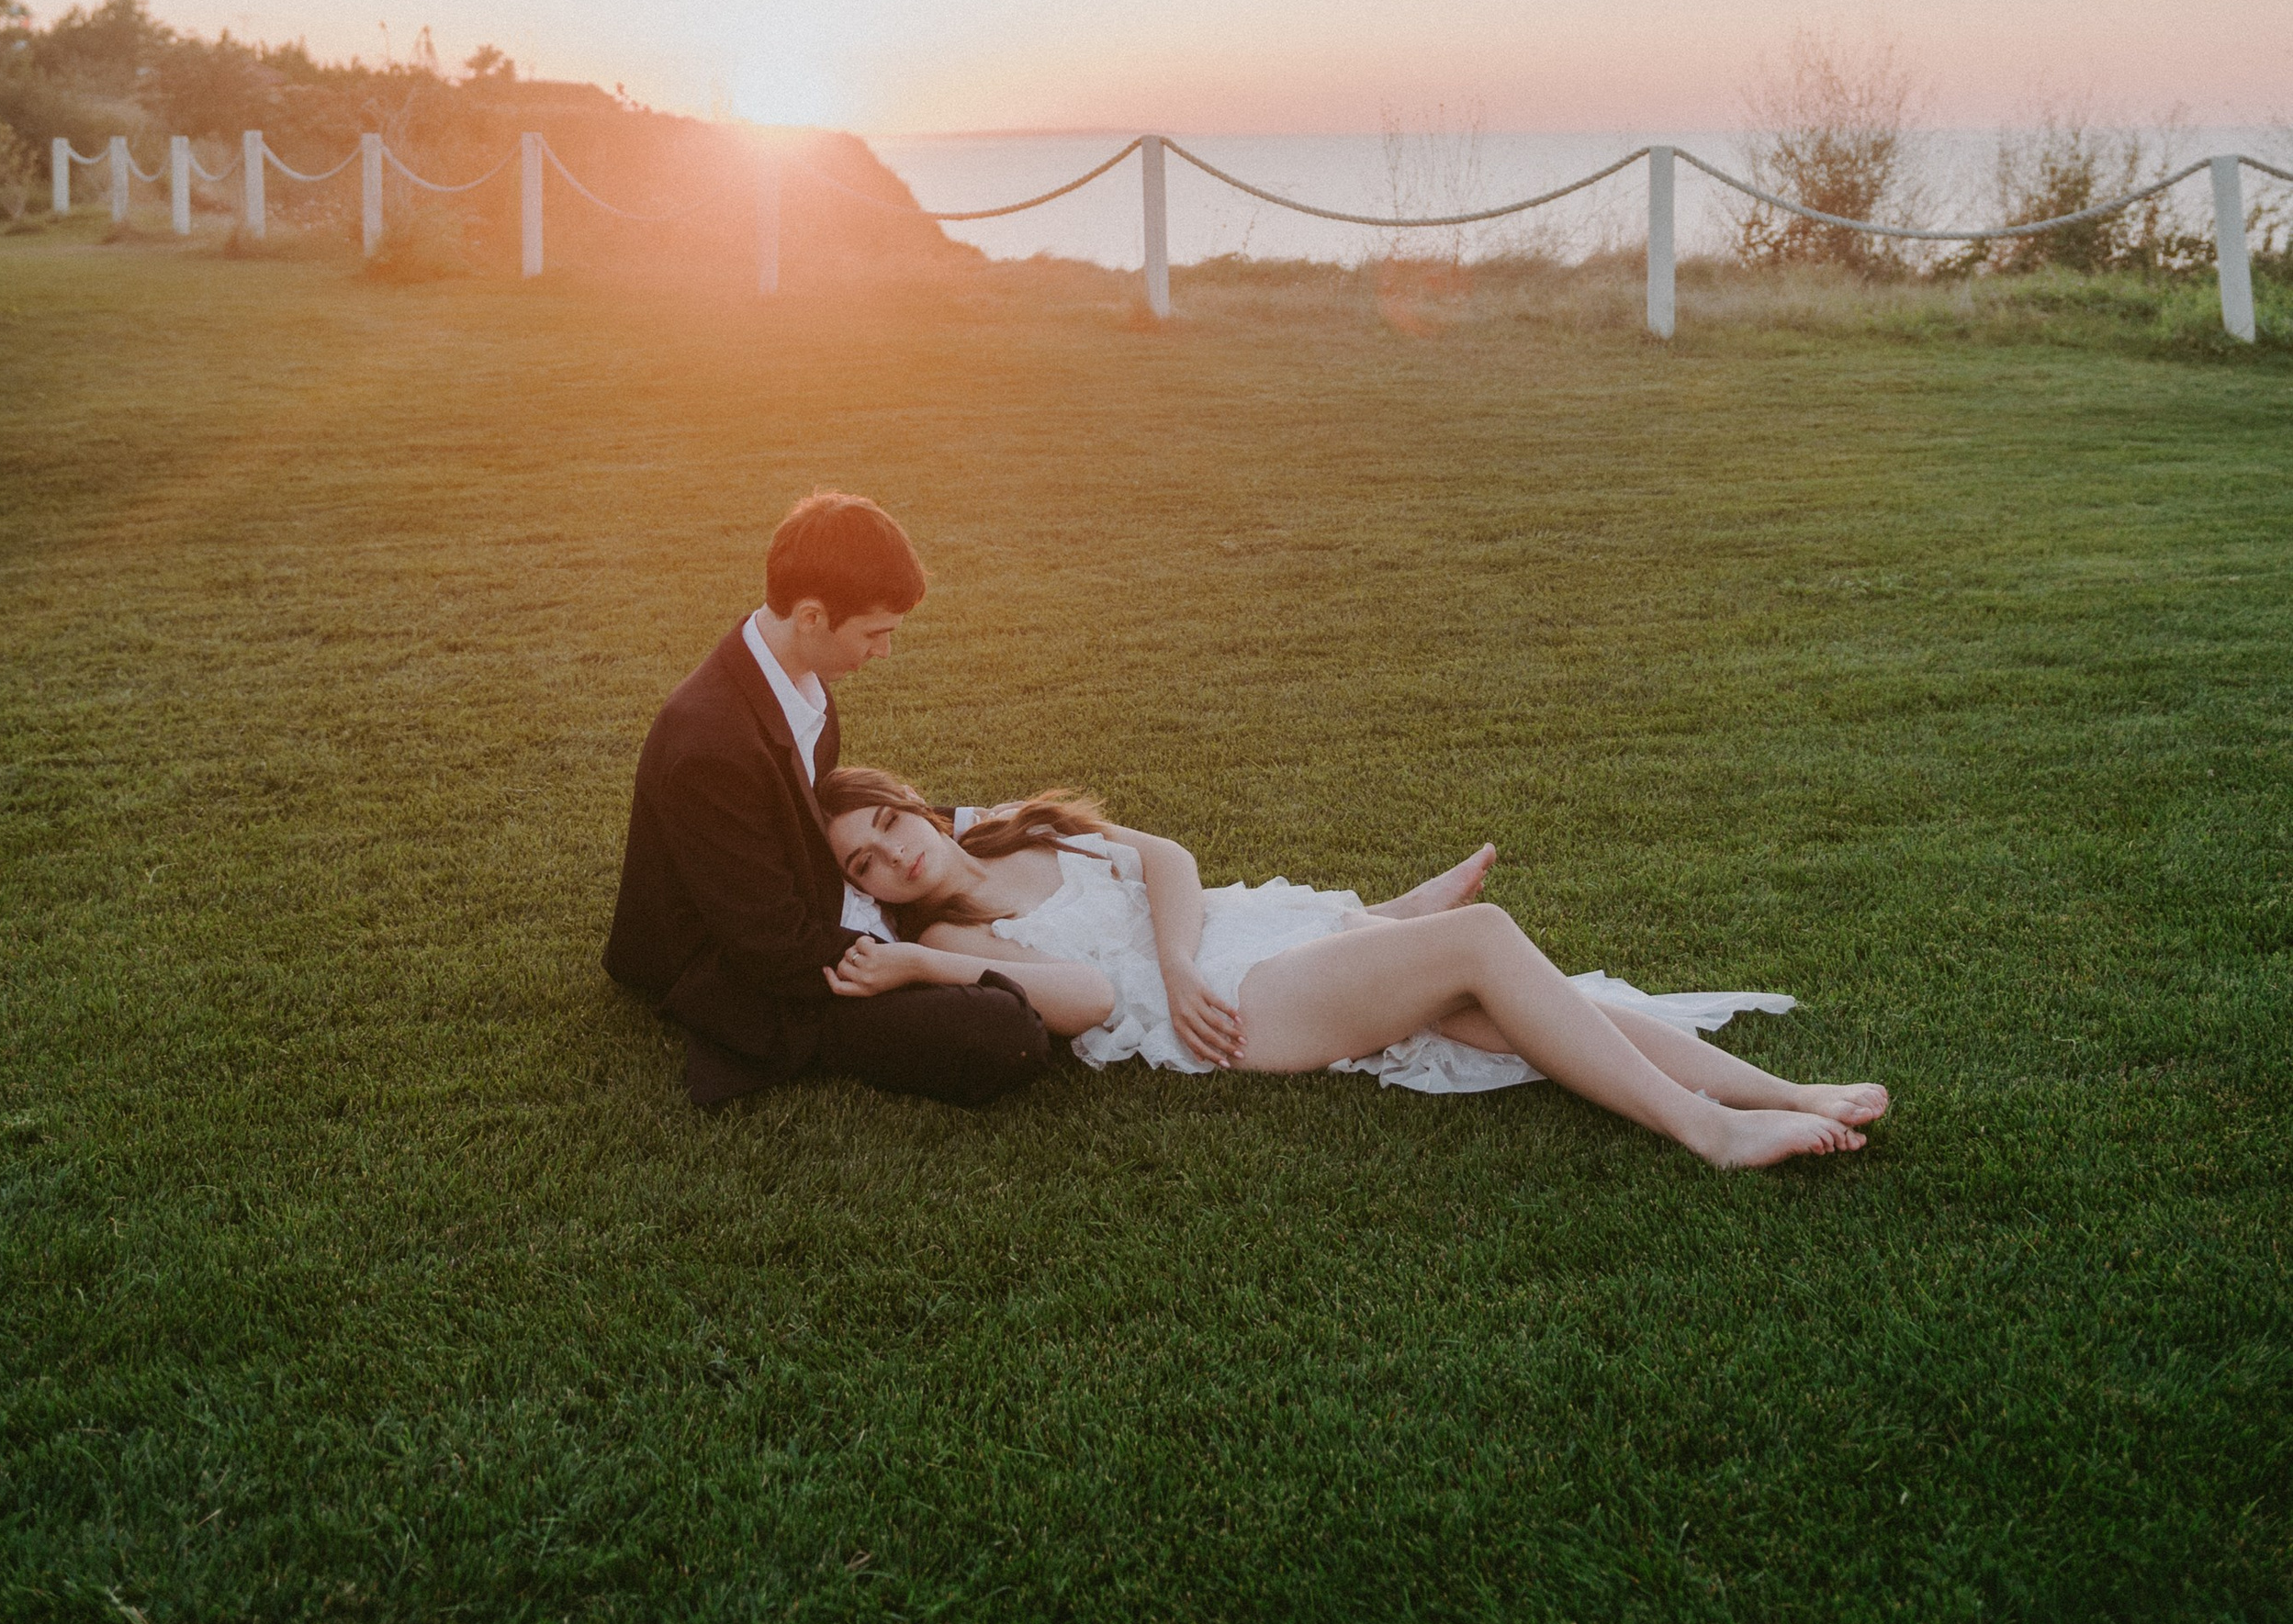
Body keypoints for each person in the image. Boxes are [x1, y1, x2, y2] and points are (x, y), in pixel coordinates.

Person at [820, 772, 1889, 1168]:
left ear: (911, 802)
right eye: (867, 863)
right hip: (1231, 1013)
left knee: (1513, 1007)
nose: (892, 851)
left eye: (884, 822)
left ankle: (1778, 1092)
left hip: (1222, 953)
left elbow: (1164, 859)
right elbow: (1088, 1000)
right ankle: (1709, 1129)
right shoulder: (953, 936)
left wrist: (1178, 947)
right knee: (1483, 944)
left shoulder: (1014, 830)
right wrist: (918, 958)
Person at [601, 492, 1051, 1111]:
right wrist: (908, 960)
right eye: (875, 633)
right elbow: (771, 949)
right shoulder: (709, 748)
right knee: (1005, 1034)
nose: (883, 652)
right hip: (735, 968)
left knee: (992, 961)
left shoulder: (797, 676)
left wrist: (959, 820)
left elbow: (819, 812)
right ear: (811, 616)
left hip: (797, 898)